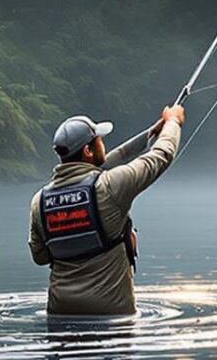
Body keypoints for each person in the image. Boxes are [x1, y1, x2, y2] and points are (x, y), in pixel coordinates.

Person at [30, 103, 185, 316]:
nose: (103, 144)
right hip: (113, 316)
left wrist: (153, 131)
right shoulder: (110, 186)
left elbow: (40, 257)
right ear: (87, 150)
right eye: (99, 140)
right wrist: (173, 122)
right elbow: (160, 156)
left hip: (59, 315)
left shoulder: (39, 201)